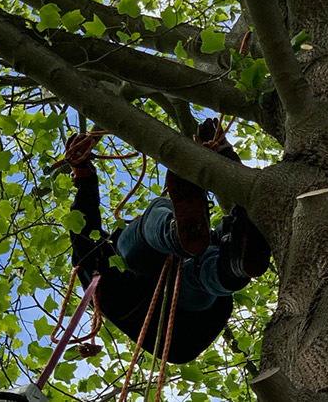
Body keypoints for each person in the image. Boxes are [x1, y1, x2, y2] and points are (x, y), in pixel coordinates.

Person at [65, 119, 270, 363]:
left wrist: (224, 154)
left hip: (190, 322)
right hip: (166, 319)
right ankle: (177, 236)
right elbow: (83, 228)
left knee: (210, 260)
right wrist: (84, 176)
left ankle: (233, 266)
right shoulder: (101, 263)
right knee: (156, 213)